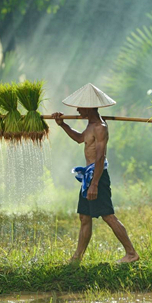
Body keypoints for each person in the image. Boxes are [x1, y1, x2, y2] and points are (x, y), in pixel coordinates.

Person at [51, 83, 139, 264]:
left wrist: (94, 184)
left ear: (89, 108)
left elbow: (100, 158)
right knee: (84, 216)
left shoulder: (100, 127)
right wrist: (62, 125)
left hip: (97, 177)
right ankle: (76, 258)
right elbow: (79, 138)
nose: (77, 109)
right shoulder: (91, 125)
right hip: (89, 177)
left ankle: (131, 253)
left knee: (107, 215)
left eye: (80, 106)